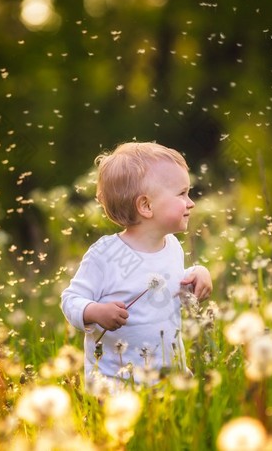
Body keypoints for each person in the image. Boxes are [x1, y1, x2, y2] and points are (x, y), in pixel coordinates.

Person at [61, 141, 212, 389]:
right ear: (146, 206)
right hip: (116, 385)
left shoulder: (172, 246)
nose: (191, 202)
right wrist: (95, 312)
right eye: (182, 193)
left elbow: (163, 291)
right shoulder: (106, 254)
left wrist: (197, 275)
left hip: (168, 379)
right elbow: (71, 299)